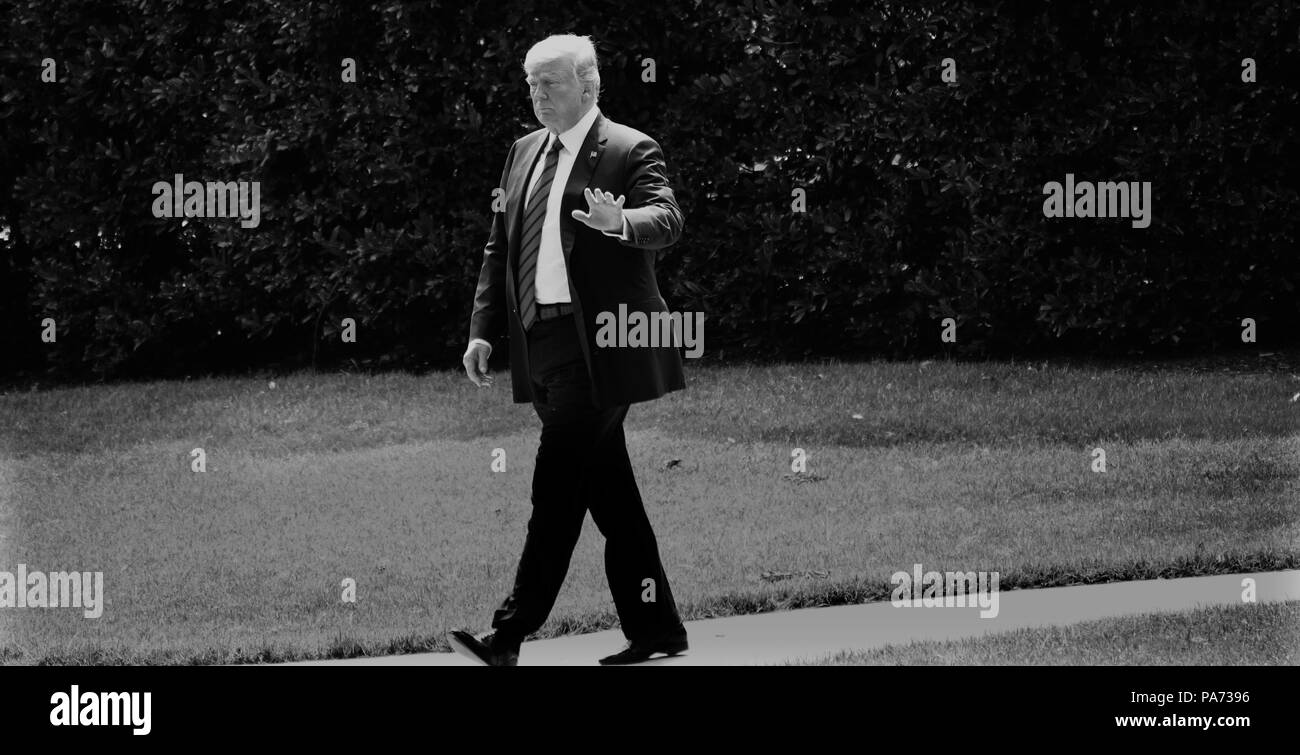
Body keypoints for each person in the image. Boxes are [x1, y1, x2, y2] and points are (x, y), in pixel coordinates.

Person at [450, 34, 688, 666]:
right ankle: (659, 630)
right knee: (609, 493)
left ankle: (508, 634)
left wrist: (623, 223)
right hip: (543, 346)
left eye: (549, 83)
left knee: (555, 488)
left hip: (604, 347)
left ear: (587, 85)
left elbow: (667, 218)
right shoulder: (523, 153)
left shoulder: (629, 149)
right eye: (530, 84)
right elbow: (501, 247)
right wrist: (483, 329)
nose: (537, 94)